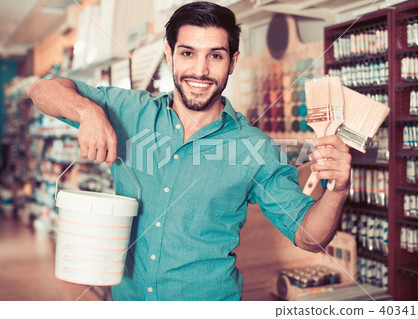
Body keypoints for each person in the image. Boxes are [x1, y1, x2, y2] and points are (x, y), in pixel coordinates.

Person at [28, 1, 351, 301]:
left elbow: (310, 237)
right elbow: (42, 89)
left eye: (215, 55)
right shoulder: (129, 111)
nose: (200, 70)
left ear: (232, 62)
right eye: (187, 53)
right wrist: (89, 112)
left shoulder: (255, 149)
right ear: (169, 55)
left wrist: (338, 189)